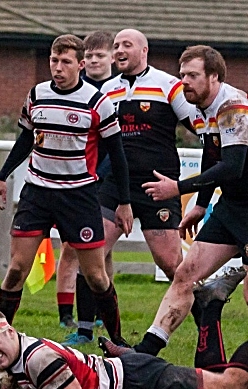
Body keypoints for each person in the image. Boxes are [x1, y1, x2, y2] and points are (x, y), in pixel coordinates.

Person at [103, 45, 248, 358]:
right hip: (234, 207)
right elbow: (213, 155)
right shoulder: (200, 109)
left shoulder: (233, 104)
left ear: (215, 76)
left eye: (193, 75)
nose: (185, 82)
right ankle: (144, 354)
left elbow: (233, 166)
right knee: (186, 275)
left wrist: (179, 189)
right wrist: (199, 204)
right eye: (182, 75)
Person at [0, 34, 133, 346]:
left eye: (65, 62)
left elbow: (118, 156)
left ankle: (118, 343)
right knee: (15, 270)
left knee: (96, 276)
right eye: (54, 61)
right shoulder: (37, 95)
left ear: (80, 65)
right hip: (37, 193)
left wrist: (124, 202)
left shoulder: (98, 103)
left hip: (79, 196)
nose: (57, 67)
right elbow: (25, 140)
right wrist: (2, 176)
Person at [66, 29, 197, 346]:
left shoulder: (169, 86)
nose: (119, 50)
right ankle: (85, 330)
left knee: (171, 265)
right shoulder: (107, 90)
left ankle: (207, 318)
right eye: (116, 46)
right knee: (90, 251)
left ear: (144, 50)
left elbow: (199, 126)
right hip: (115, 184)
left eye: (126, 45)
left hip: (158, 185)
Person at [0, 298, 248, 389]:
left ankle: (209, 307)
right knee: (218, 384)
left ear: (11, 333)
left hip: (136, 385)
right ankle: (209, 307)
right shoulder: (1, 356)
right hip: (123, 375)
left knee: (230, 388)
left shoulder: (37, 358)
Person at [56, 30, 116, 329]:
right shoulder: (74, 89)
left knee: (100, 250)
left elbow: (114, 144)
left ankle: (103, 313)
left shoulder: (116, 93)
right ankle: (68, 314)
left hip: (105, 179)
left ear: (113, 59)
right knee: (73, 247)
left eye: (99, 55)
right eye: (89, 55)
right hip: (79, 180)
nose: (93, 60)